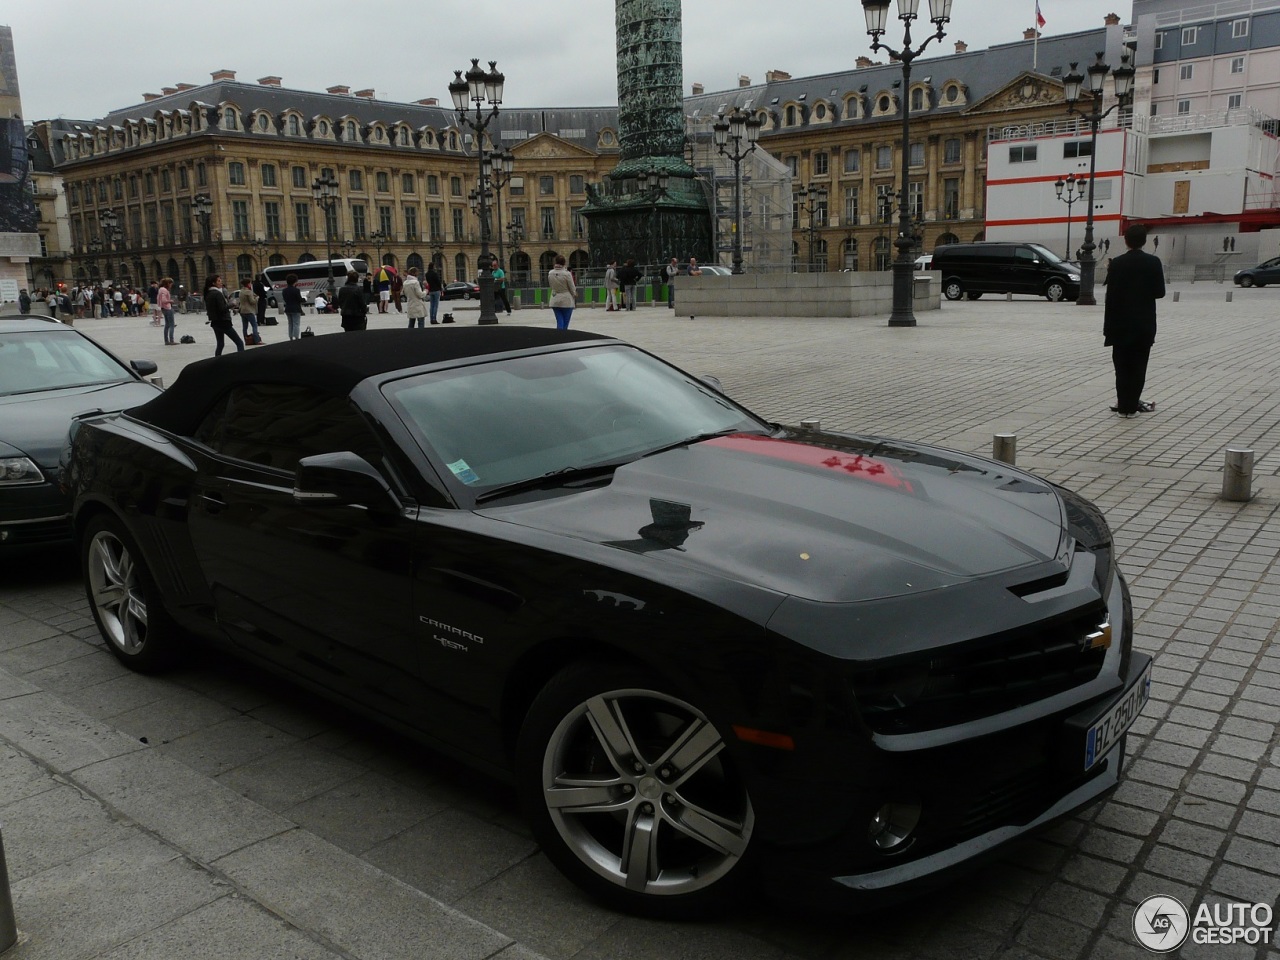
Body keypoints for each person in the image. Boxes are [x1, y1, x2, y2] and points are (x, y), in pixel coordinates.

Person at [1103, 224, 1165, 418]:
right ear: (1144, 241)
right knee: (1138, 367)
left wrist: (1108, 329)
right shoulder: (1153, 262)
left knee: (1121, 368)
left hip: (1119, 324)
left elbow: (1110, 298)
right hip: (1143, 324)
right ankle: (1131, 407)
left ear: (1125, 240)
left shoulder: (1116, 264)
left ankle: (1123, 407)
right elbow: (1160, 292)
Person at [204, 274, 243, 355]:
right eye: (218, 281)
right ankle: (241, 360)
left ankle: (216, 362)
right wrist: (232, 304)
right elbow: (222, 308)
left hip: (215, 322)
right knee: (239, 342)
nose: (221, 282)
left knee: (220, 344)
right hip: (223, 321)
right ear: (213, 283)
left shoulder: (208, 293)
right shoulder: (217, 293)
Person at [548, 254, 577, 330]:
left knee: (559, 320)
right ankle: (563, 336)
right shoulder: (567, 274)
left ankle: (559, 335)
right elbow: (572, 287)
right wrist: (574, 294)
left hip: (555, 299)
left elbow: (551, 286)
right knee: (566, 321)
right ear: (564, 263)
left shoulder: (550, 273)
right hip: (566, 299)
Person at [281, 273, 304, 340]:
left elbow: (285, 299)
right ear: (295, 281)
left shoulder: (284, 290)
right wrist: (304, 299)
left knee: (290, 323)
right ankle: (296, 336)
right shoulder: (296, 290)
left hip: (288, 308)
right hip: (296, 308)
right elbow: (299, 299)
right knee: (296, 323)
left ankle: (290, 336)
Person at [238, 278, 261, 343]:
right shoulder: (249, 292)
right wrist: (257, 298)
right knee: (254, 325)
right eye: (250, 283)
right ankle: (257, 340)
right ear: (248, 284)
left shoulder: (241, 291)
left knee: (245, 327)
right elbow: (252, 302)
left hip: (242, 311)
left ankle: (246, 340)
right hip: (249, 311)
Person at [158, 277, 176, 345]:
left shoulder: (160, 289)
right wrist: (170, 301)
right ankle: (171, 340)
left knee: (167, 325)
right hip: (167, 308)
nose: (171, 285)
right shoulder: (164, 290)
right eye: (171, 284)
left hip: (163, 308)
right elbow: (163, 300)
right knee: (171, 325)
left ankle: (166, 340)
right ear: (168, 283)